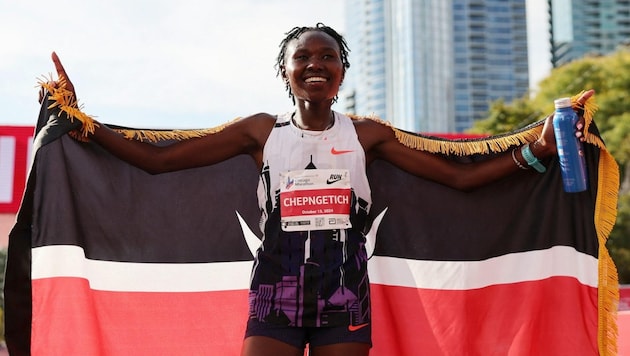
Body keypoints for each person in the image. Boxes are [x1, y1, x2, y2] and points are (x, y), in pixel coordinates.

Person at [43, 23, 593, 356]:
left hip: (343, 294)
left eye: (327, 56)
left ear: (341, 73)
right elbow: (155, 162)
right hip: (275, 291)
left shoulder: (368, 135)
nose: (315, 64)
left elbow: (459, 177)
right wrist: (82, 122)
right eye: (302, 57)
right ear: (285, 72)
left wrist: (532, 151)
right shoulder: (260, 132)